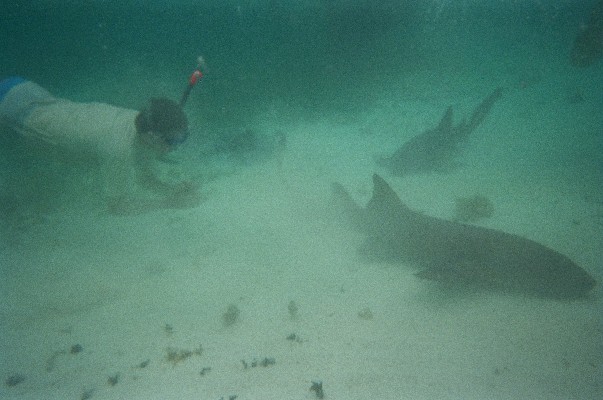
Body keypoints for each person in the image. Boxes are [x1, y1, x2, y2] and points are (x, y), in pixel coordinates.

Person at [0, 76, 200, 215]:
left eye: (184, 137)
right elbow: (118, 207)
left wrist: (172, 190)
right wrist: (168, 204)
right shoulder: (119, 149)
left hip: (28, 92)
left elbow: (144, 179)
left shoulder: (142, 125)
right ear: (151, 137)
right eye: (174, 140)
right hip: (14, 114)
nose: (177, 146)